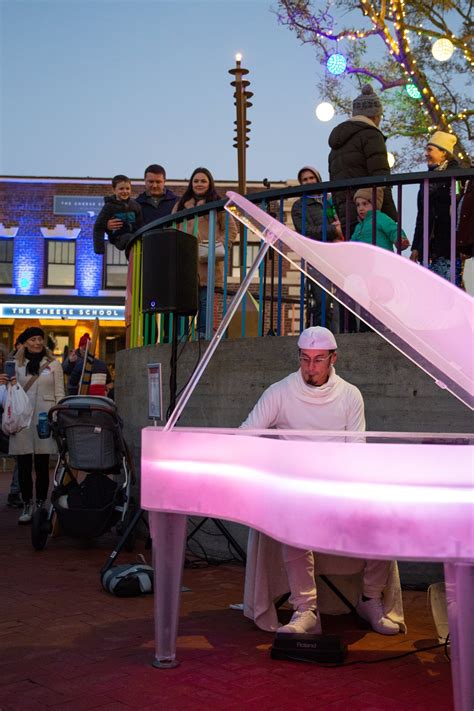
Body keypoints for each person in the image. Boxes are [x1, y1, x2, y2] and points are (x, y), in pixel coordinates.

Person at [240, 326, 402, 636]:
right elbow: (246, 433)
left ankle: (370, 599)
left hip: (339, 485)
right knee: (294, 520)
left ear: (332, 359)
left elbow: (357, 450)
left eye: (318, 360)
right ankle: (306, 608)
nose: (310, 368)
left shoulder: (350, 394)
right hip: (296, 488)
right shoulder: (279, 391)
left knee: (385, 518)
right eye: (305, 359)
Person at [172, 167, 238, 336]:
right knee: (183, 302)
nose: (199, 184)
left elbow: (231, 230)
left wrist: (215, 247)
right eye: (196, 181)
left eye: (203, 181)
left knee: (205, 301)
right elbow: (172, 229)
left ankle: (203, 336)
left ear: (210, 184)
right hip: (184, 261)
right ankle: (181, 337)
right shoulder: (180, 205)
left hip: (208, 262)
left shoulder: (218, 204)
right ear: (191, 183)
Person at [9, 327, 64, 524]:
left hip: (44, 417)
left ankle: (40, 503)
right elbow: (9, 393)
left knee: (42, 463)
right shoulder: (15, 364)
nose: (37, 342)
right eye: (33, 339)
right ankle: (27, 504)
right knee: (23, 463)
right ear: (24, 343)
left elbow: (60, 393)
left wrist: (57, 417)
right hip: (21, 417)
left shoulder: (53, 364)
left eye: (40, 339)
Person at [328, 85, 397, 238]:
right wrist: (393, 219)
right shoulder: (371, 136)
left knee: (356, 259)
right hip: (369, 214)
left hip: (346, 214)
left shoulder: (336, 145)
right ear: (375, 115)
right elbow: (381, 179)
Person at [291, 166, 343, 328]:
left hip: (340, 255)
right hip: (317, 258)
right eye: (305, 179)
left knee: (343, 300)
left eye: (311, 178)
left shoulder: (331, 200)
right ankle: (321, 337)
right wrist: (333, 230)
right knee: (322, 301)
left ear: (318, 179)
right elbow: (306, 231)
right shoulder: (299, 206)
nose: (308, 182)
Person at [410, 131, 462, 284]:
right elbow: (422, 216)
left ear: (444, 153)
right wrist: (416, 247)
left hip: (449, 247)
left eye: (430, 150)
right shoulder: (426, 180)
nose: (426, 154)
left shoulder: (457, 176)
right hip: (429, 249)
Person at [93, 175, 142, 255]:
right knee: (129, 239)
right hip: (118, 238)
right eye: (121, 189)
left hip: (133, 235)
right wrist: (99, 249)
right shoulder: (109, 207)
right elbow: (98, 226)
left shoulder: (135, 206)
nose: (125, 191)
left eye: (127, 188)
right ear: (114, 190)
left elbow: (140, 223)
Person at [351, 187, 409, 252]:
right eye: (358, 205)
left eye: (365, 204)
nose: (360, 208)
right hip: (365, 259)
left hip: (381, 258)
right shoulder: (358, 226)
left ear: (375, 204)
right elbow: (352, 244)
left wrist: (400, 239)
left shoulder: (380, 218)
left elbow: (393, 229)